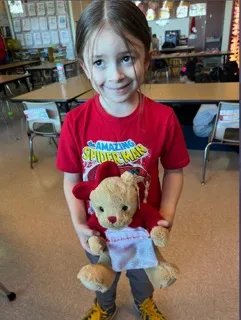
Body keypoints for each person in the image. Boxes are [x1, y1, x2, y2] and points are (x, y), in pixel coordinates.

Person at [56, 1, 190, 319]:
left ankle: (144, 302)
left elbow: (174, 170)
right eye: (99, 62)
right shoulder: (75, 122)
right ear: (85, 67)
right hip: (97, 229)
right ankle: (105, 306)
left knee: (144, 274)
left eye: (127, 58)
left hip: (142, 227)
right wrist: (78, 226)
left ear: (148, 57)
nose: (114, 75)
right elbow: (71, 179)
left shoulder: (163, 118)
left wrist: (167, 212)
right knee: (101, 276)